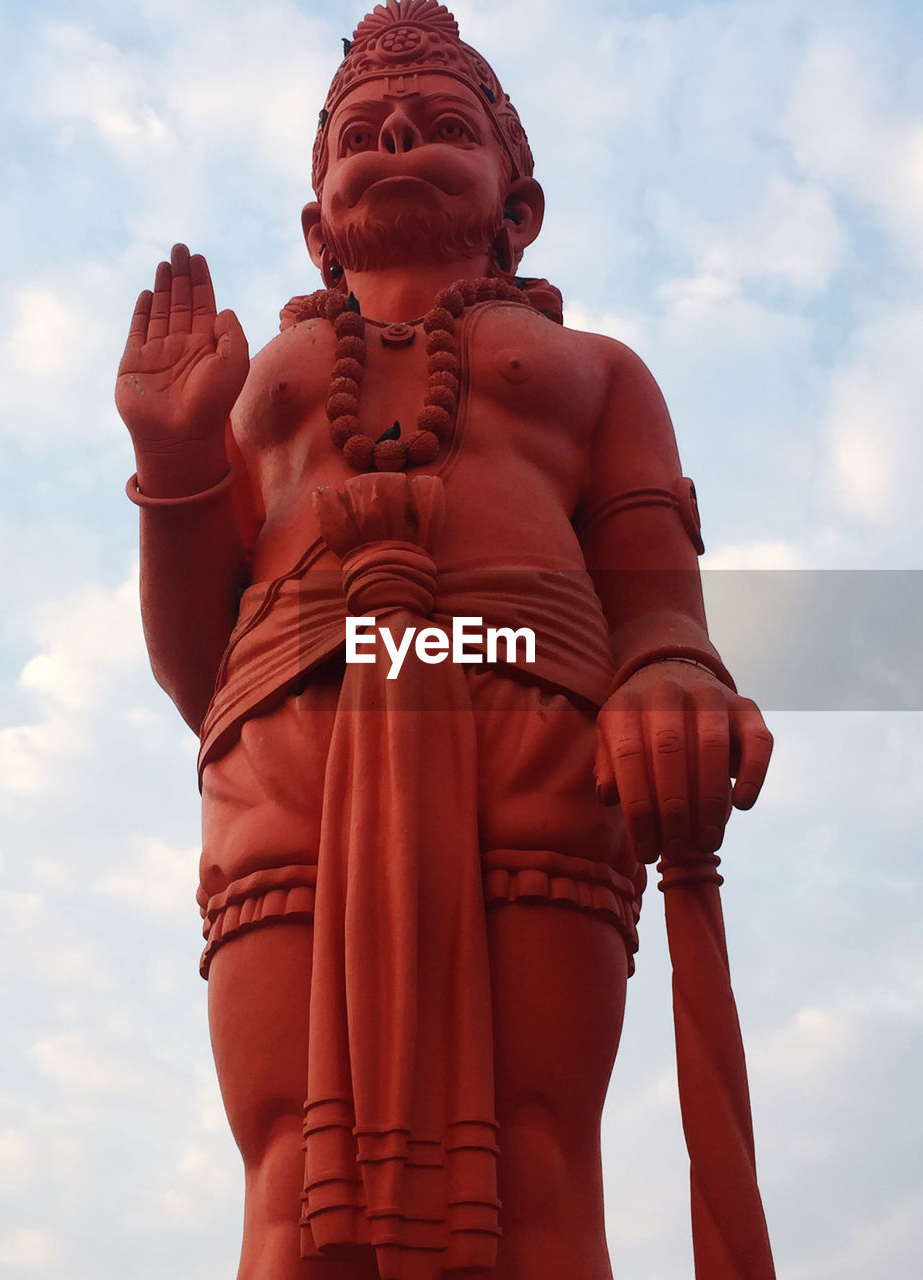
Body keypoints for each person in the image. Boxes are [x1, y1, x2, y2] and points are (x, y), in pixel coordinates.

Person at [115, 4, 772, 1278]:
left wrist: (676, 668)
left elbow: (652, 588)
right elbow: (200, 671)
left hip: (533, 741)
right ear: (316, 225)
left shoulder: (594, 370)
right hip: (292, 739)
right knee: (293, 1165)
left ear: (517, 205)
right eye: (360, 131)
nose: (397, 131)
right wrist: (176, 463)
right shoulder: (258, 384)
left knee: (535, 1149)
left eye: (442, 123)